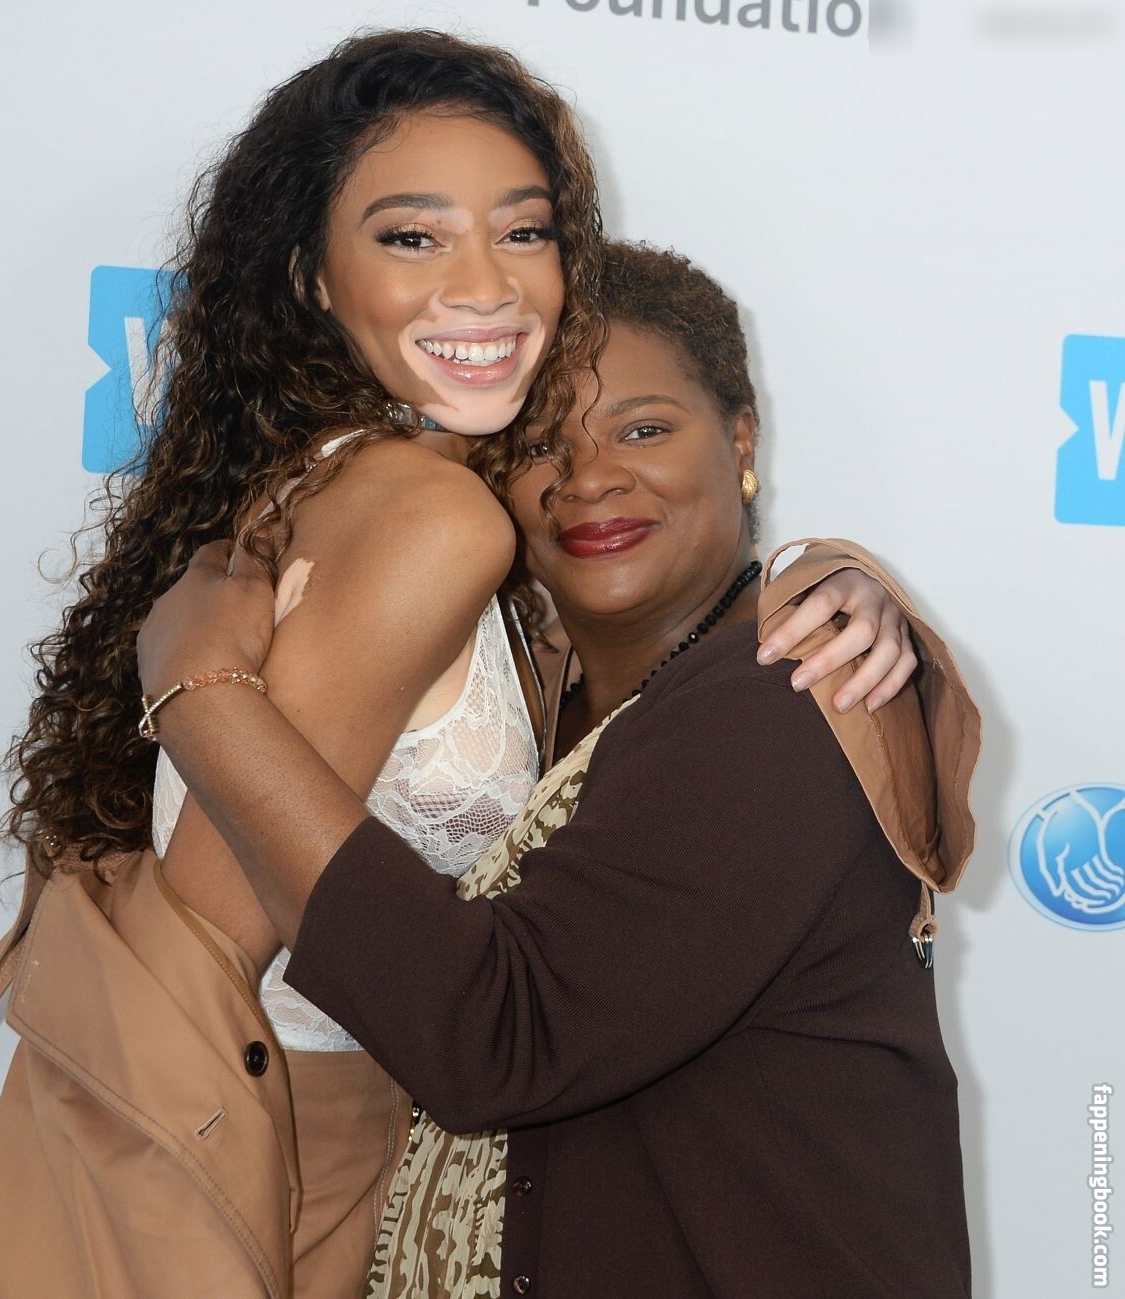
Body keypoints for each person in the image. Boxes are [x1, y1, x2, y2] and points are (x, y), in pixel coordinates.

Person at [0, 33, 919, 1299]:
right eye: (412, 237)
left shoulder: (374, 486)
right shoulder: (434, 519)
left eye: (522, 230)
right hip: (262, 1162)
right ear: (310, 278)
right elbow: (197, 956)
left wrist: (829, 572)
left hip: (330, 1153)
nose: (482, 285)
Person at [136, 240, 982, 1298]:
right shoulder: (545, 701)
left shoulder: (783, 703)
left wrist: (202, 693)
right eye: (540, 443)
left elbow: (496, 1035)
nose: (590, 477)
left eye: (643, 429)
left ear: (740, 438)